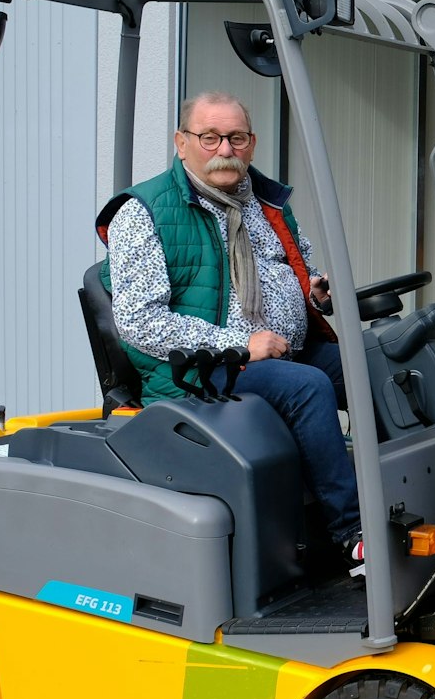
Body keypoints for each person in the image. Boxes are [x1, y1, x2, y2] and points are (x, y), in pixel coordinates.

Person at [96, 91, 364, 565]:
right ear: (182, 143)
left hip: (281, 350)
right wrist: (240, 343)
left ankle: (396, 493)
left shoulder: (263, 204)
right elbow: (139, 322)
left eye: (236, 137)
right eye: (210, 137)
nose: (225, 149)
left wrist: (313, 292)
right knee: (308, 386)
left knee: (371, 369)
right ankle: (352, 531)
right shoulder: (143, 212)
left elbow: (290, 264)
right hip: (204, 369)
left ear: (252, 143)